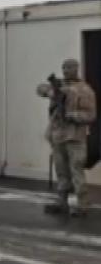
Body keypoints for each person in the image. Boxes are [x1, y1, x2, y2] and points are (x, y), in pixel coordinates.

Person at [36, 58, 97, 217]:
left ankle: (82, 205)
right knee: (61, 171)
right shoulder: (60, 86)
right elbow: (40, 89)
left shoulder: (84, 90)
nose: (65, 70)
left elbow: (91, 115)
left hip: (75, 137)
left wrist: (73, 115)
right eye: (64, 67)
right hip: (58, 136)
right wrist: (50, 92)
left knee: (76, 171)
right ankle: (61, 202)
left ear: (76, 69)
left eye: (69, 67)